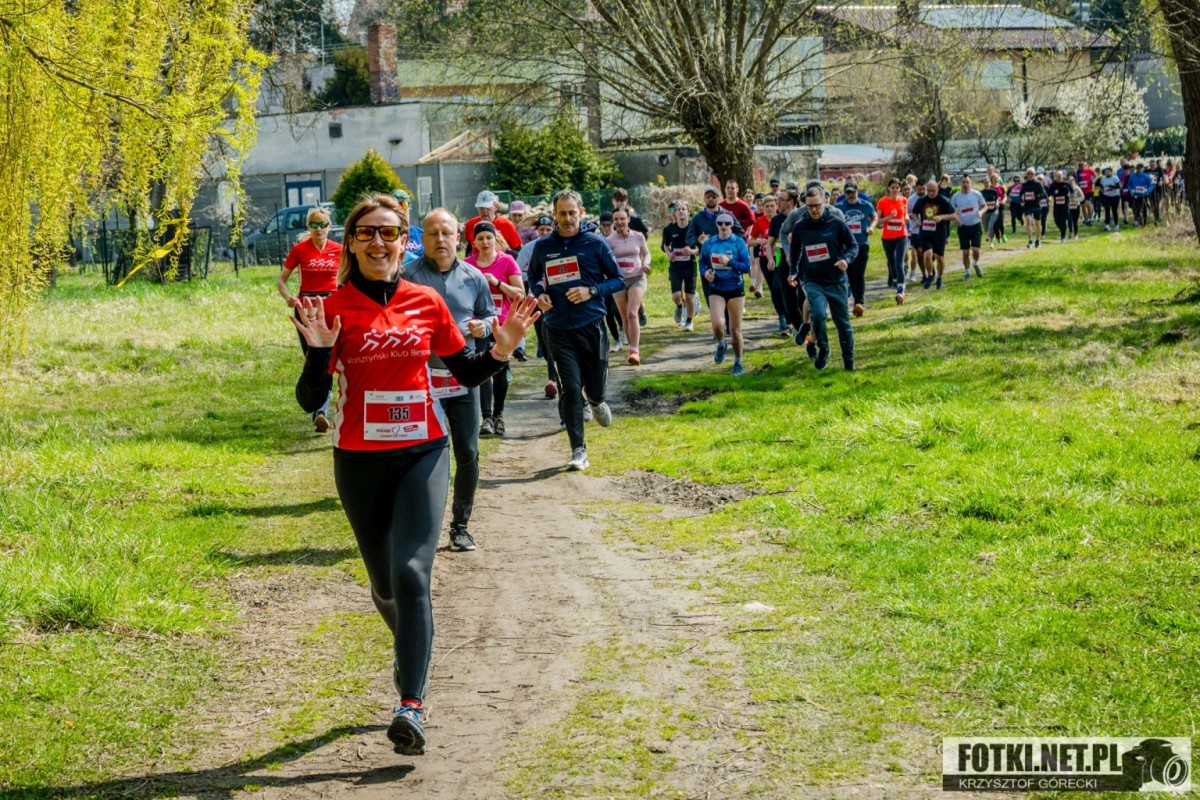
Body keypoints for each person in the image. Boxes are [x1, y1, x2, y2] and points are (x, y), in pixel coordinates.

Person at [292, 193, 539, 758]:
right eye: (366, 233)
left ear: (404, 242)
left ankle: (411, 704)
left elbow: (466, 372)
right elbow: (309, 398)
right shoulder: (332, 307)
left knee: (411, 574)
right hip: (358, 460)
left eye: (389, 233)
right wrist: (319, 351)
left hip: (423, 451)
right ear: (351, 243)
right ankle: (411, 646)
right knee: (385, 586)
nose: (378, 242)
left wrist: (502, 349)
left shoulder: (426, 301)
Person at [403, 210, 498, 554]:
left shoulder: (474, 277)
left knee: (468, 452)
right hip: (420, 380)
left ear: (458, 238)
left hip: (463, 378)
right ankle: (419, 529)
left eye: (446, 233)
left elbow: (491, 315)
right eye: (433, 233)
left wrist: (483, 327)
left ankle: (460, 526)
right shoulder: (407, 276)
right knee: (422, 457)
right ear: (422, 239)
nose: (440, 239)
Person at [528, 189, 624, 471]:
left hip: (590, 324)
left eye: (572, 213)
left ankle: (596, 400)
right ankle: (578, 450)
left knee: (593, 386)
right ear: (555, 214)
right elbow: (533, 276)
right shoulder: (543, 247)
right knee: (569, 388)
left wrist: (591, 291)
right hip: (557, 328)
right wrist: (540, 294)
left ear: (581, 213)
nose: (567, 218)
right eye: (562, 213)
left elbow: (617, 280)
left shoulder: (595, 244)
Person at [278, 205, 343, 432]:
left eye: (323, 224)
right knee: (315, 358)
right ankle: (319, 409)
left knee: (335, 358)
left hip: (332, 306)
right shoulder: (299, 250)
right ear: (309, 226)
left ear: (329, 226)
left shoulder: (339, 250)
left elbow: (349, 276)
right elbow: (281, 281)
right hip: (307, 307)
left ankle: (334, 407)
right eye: (314, 225)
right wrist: (289, 298)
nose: (318, 229)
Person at [789, 186, 859, 371]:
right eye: (810, 206)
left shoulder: (837, 223)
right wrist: (793, 271)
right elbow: (795, 250)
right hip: (813, 280)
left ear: (825, 203)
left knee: (843, 324)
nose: (813, 210)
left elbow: (853, 246)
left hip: (836, 280)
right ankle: (824, 348)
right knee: (818, 314)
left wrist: (846, 260)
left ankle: (849, 361)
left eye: (817, 205)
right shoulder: (800, 226)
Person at [466, 222, 525, 435]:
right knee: (483, 370)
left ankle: (499, 414)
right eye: (480, 238)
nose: (485, 242)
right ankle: (487, 418)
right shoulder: (467, 264)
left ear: (495, 239)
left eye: (488, 237)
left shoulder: (507, 261)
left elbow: (521, 293)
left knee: (501, 370)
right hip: (479, 325)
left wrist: (497, 283)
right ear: (474, 242)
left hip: (503, 324)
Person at [699, 212, 751, 376]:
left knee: (735, 331)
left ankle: (738, 362)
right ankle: (721, 344)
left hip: (735, 288)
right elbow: (702, 262)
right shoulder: (709, 243)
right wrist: (705, 273)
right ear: (716, 224)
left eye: (727, 223)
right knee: (717, 324)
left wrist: (730, 262)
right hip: (716, 287)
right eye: (720, 223)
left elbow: (747, 267)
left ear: (731, 225)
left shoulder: (738, 243)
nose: (723, 226)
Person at [517, 214, 560, 399]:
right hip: (535, 298)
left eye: (548, 230)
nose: (544, 233)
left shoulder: (559, 246)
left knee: (552, 340)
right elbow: (517, 270)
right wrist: (534, 276)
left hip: (555, 299)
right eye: (541, 230)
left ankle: (553, 380)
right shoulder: (531, 248)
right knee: (544, 342)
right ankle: (553, 376)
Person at [606, 208, 652, 366]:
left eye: (622, 218)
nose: (619, 222)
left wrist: (646, 264)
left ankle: (634, 350)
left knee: (632, 313)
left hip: (637, 278)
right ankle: (632, 348)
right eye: (616, 219)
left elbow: (646, 254)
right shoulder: (609, 240)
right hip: (618, 281)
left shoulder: (638, 236)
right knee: (624, 316)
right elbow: (605, 260)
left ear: (628, 219)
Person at [834, 181, 876, 317]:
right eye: (848, 193)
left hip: (862, 244)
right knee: (850, 275)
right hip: (845, 247)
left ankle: (859, 303)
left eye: (852, 192)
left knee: (859, 274)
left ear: (858, 191)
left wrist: (871, 227)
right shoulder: (839, 207)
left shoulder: (865, 205)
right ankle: (854, 302)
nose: (850, 195)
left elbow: (874, 217)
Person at [748, 194, 784, 329]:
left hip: (780, 256)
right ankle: (781, 315)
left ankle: (786, 316)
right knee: (774, 289)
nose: (769, 208)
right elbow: (750, 241)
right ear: (763, 207)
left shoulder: (781, 220)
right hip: (764, 258)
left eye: (772, 206)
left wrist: (777, 244)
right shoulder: (759, 221)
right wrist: (759, 241)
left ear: (777, 206)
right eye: (767, 206)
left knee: (779, 286)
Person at [661, 202, 698, 332]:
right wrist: (669, 254)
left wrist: (692, 251)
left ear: (688, 212)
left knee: (689, 296)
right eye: (678, 209)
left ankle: (689, 321)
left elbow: (701, 247)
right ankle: (679, 307)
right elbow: (665, 245)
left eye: (683, 209)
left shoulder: (694, 228)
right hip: (675, 266)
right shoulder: (669, 229)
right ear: (675, 214)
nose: (681, 211)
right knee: (677, 295)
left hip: (690, 266)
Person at [912, 180, 955, 289]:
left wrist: (941, 217)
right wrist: (917, 220)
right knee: (927, 255)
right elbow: (914, 213)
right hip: (925, 233)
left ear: (937, 189)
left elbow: (954, 215)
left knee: (939, 257)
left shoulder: (943, 200)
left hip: (939, 233)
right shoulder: (922, 201)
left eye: (933, 191)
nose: (931, 193)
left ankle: (940, 278)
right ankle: (930, 275)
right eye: (929, 190)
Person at [875, 178, 909, 304]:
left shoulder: (903, 200)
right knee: (891, 262)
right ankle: (895, 279)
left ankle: (901, 290)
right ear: (889, 188)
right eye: (893, 187)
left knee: (899, 262)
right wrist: (889, 217)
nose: (895, 190)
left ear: (900, 189)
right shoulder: (882, 201)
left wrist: (907, 218)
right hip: (887, 237)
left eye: (897, 187)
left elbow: (905, 214)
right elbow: (877, 220)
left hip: (901, 236)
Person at [464, 190, 523, 256]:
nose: (484, 211)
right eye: (481, 208)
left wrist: (505, 250)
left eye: (488, 207)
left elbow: (519, 254)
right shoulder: (471, 224)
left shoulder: (507, 225)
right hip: (477, 262)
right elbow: (469, 249)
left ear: (496, 207)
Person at [951, 175, 985, 280]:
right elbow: (951, 211)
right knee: (965, 252)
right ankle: (967, 273)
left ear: (971, 183)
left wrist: (981, 212)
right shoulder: (956, 196)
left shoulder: (976, 194)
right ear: (960, 183)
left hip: (975, 225)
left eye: (967, 182)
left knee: (975, 250)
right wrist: (956, 219)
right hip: (963, 227)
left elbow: (985, 206)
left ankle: (975, 263)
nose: (965, 184)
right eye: (963, 182)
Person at [1019, 168, 1047, 248]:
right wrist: (1021, 200)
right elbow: (1021, 194)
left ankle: (1037, 240)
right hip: (1027, 206)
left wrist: (1037, 196)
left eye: (1032, 174)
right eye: (1028, 173)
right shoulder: (1024, 184)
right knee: (1028, 221)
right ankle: (1030, 241)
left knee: (1037, 224)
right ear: (1026, 175)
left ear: (1034, 175)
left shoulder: (1038, 183)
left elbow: (1044, 194)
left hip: (1036, 205)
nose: (1030, 175)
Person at [1048, 170, 1072, 243]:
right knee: (1056, 220)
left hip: (1065, 206)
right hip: (1057, 206)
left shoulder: (1066, 184)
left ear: (1063, 177)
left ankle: (1063, 236)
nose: (1058, 178)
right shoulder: (1053, 185)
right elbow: (1049, 193)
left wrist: (1070, 194)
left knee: (1063, 220)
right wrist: (1050, 197)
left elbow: (1072, 191)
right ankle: (1062, 229)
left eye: (1059, 177)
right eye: (1057, 177)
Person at [1127, 163, 1153, 227]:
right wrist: (1131, 190)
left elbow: (1151, 185)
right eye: (1138, 169)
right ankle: (1137, 221)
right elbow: (1129, 185)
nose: (1139, 170)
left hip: (1143, 195)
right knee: (1136, 209)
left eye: (1140, 169)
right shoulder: (1132, 176)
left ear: (1143, 169)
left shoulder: (1146, 176)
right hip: (1135, 195)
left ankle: (1144, 223)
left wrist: (1148, 190)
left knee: (1144, 209)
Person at [980, 174, 1003, 249]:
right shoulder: (981, 193)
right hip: (985, 212)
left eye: (988, 182)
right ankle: (987, 233)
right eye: (985, 183)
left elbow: (997, 199)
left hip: (994, 211)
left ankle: (991, 242)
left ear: (990, 183)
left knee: (991, 225)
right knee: (986, 227)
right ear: (983, 183)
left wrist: (997, 203)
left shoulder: (994, 191)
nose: (987, 184)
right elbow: (979, 202)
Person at [1099, 166, 1122, 231]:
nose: (1107, 172)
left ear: (1111, 172)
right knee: (1107, 210)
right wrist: (1101, 190)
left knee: (1114, 211)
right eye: (1106, 171)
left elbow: (1119, 186)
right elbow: (1101, 186)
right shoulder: (1103, 178)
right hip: (1106, 195)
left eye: (1108, 171)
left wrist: (1112, 187)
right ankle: (1107, 225)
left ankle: (1116, 224)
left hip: (1115, 196)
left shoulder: (1115, 177)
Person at [1067, 175, 1084, 240]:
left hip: (1076, 206)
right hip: (1069, 207)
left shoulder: (1077, 188)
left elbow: (1082, 197)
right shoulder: (1066, 188)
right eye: (1069, 181)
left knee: (1075, 221)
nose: (1070, 182)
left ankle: (1076, 234)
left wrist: (1076, 200)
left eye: (1071, 180)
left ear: (1074, 181)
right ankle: (1070, 232)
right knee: (1069, 220)